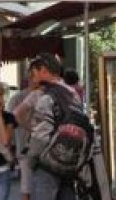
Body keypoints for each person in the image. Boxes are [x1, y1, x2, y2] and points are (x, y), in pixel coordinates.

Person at [25, 53, 82, 200]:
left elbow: (40, 137)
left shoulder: (46, 98)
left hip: (48, 166)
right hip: (70, 163)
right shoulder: (73, 94)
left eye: (33, 73)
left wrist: (30, 160)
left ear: (43, 70)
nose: (32, 78)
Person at [9, 73, 43, 200]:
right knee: (26, 185)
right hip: (25, 146)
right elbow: (11, 121)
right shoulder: (18, 98)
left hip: (44, 148)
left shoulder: (46, 97)